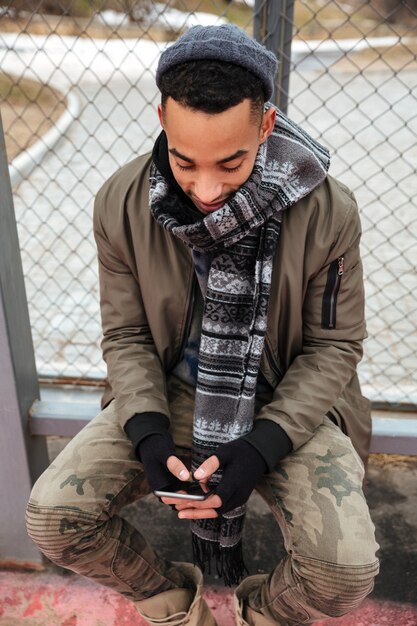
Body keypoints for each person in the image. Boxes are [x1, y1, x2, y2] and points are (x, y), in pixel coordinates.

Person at [26, 24, 380, 626]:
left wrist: (262, 447)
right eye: (186, 162)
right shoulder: (121, 201)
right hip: (167, 391)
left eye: (232, 162)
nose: (207, 187)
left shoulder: (327, 210)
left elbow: (333, 346)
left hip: (288, 403)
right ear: (162, 115)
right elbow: (127, 334)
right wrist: (147, 433)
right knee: (54, 517)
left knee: (343, 572)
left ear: (265, 126)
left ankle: (262, 616)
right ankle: (176, 609)